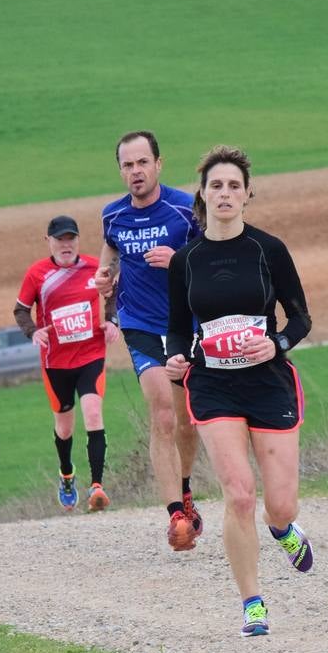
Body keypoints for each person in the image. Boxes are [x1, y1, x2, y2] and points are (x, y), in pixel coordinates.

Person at [165, 145, 314, 637]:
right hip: (213, 384)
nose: (225, 193)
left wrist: (277, 345)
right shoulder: (185, 260)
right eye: (216, 186)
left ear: (248, 194)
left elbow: (301, 317)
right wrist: (176, 354)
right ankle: (252, 602)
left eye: (234, 186)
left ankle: (283, 529)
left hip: (267, 381)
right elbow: (176, 327)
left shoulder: (268, 249)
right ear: (203, 196)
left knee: (279, 503)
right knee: (239, 495)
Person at [96, 130, 205, 551]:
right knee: (161, 416)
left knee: (185, 421)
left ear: (159, 164)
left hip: (185, 325)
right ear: (121, 171)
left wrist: (178, 261)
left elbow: (211, 259)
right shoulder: (112, 215)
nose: (136, 171)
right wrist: (104, 278)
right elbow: (108, 254)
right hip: (139, 324)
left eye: (143, 162)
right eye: (128, 165)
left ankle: (185, 489)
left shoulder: (184, 209)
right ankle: (176, 515)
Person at [15, 215, 118, 512]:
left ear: (77, 240)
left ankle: (97, 486)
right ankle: (67, 474)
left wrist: (111, 321)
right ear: (48, 241)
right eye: (60, 239)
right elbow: (21, 310)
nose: (66, 244)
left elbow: (111, 295)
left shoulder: (92, 267)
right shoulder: (38, 274)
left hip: (91, 355)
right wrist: (33, 332)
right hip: (56, 362)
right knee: (64, 428)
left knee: (94, 414)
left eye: (70, 238)